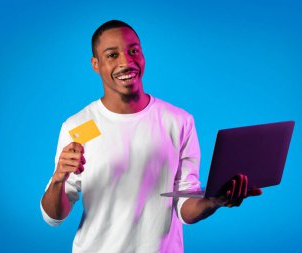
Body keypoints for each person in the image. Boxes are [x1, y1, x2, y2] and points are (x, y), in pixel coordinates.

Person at [40, 20, 262, 253]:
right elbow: (54, 217)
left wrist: (213, 202)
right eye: (112, 55)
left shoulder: (179, 121)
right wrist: (58, 180)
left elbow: (185, 208)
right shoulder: (78, 126)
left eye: (133, 51)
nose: (126, 62)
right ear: (95, 64)